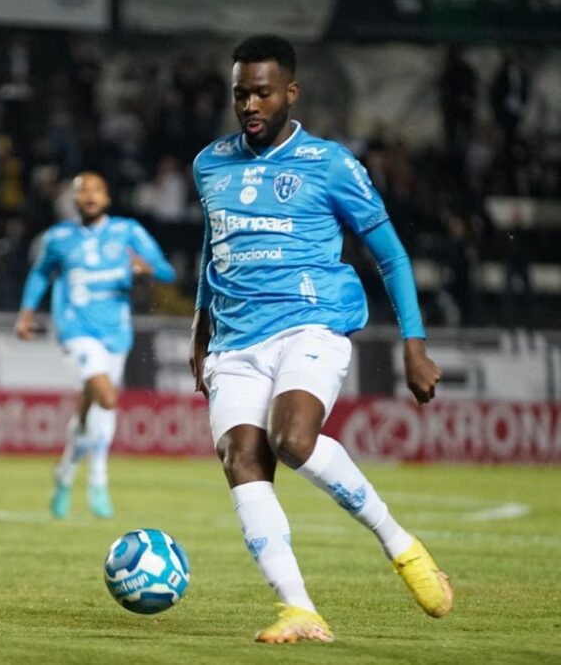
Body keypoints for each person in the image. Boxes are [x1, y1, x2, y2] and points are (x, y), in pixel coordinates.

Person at [188, 36, 451, 643]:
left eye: (261, 92)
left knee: (292, 439)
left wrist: (415, 342)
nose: (249, 103)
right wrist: (199, 330)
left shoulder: (330, 164)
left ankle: (401, 545)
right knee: (242, 461)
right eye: (240, 93)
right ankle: (299, 610)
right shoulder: (210, 163)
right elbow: (212, 248)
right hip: (233, 341)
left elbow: (391, 255)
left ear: (290, 92)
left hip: (310, 324)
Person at [15, 171, 174, 519]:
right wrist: (26, 313)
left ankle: (65, 473)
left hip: (116, 333)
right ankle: (99, 483)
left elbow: (167, 271)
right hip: (75, 330)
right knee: (107, 398)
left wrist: (146, 269)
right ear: (73, 200)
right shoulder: (58, 238)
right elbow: (41, 272)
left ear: (107, 198)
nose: (89, 195)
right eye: (82, 190)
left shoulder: (128, 232)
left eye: (96, 189)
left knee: (93, 410)